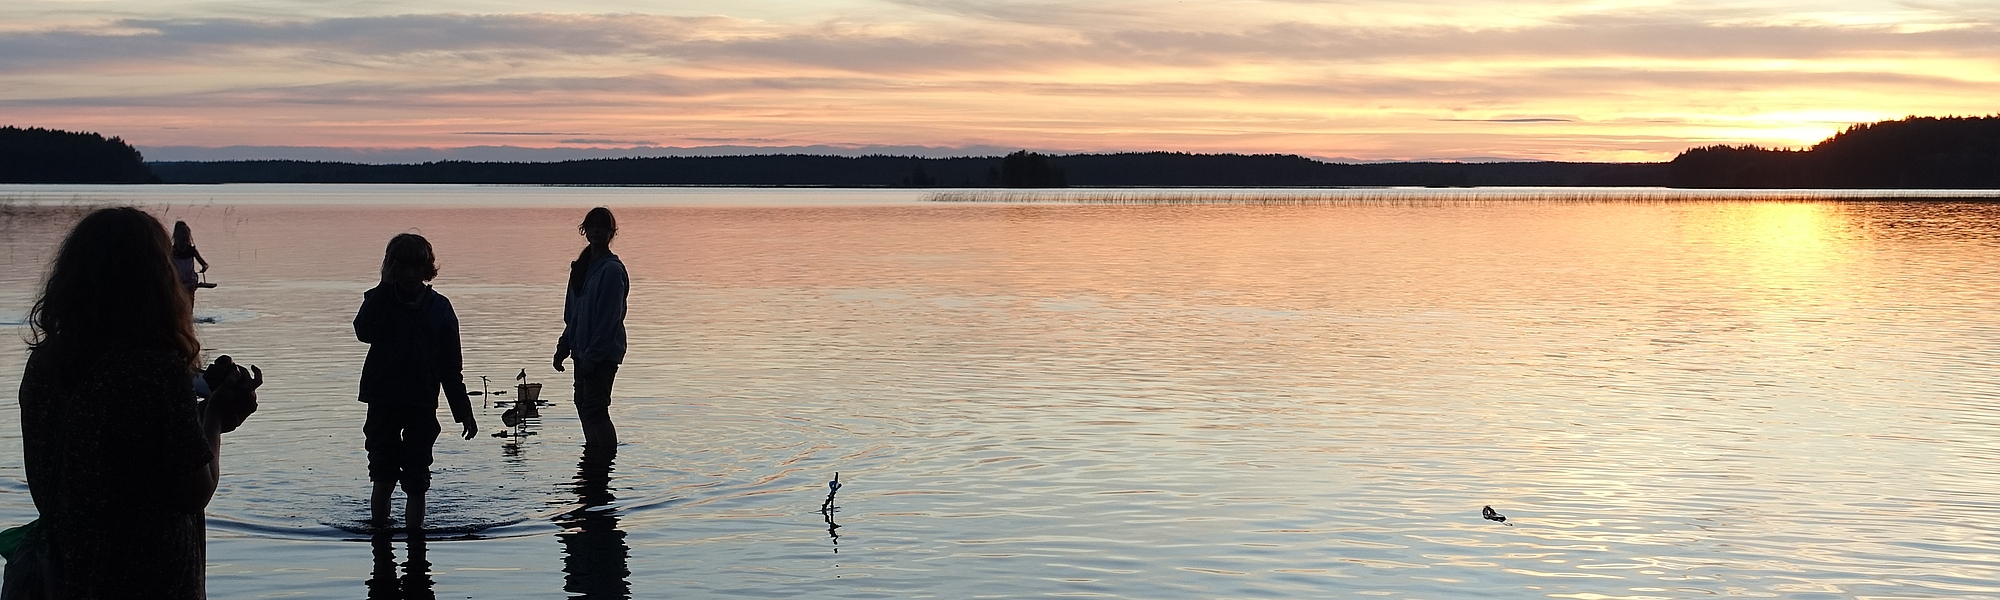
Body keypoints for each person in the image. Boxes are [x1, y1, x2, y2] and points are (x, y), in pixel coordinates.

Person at [13, 207, 261, 599]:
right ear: (155, 281)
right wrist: (211, 420)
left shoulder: (44, 366)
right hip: (148, 578)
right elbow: (195, 489)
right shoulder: (154, 371)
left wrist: (194, 415)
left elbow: (84, 462)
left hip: (65, 574)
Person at [353, 233, 477, 531]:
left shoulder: (440, 308)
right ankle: (380, 533)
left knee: (417, 479)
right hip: (382, 400)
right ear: (391, 268)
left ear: (426, 269)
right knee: (382, 473)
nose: (409, 274)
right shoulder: (378, 299)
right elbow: (362, 331)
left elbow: (451, 368)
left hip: (422, 403)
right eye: (402, 267)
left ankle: (415, 535)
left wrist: (464, 412)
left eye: (415, 267)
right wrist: (384, 286)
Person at [553, 207, 628, 449]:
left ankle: (605, 458)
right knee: (582, 403)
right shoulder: (581, 268)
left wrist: (593, 358)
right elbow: (572, 316)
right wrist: (563, 347)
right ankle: (593, 456)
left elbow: (608, 321)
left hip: (602, 355)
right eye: (592, 226)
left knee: (595, 408)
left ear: (611, 233)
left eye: (602, 226)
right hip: (581, 352)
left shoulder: (613, 271)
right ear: (585, 230)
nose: (596, 230)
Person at [170, 221, 210, 300]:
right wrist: (204, 268)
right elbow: (204, 265)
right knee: (189, 301)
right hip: (189, 282)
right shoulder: (191, 251)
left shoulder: (171, 251)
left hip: (177, 282)